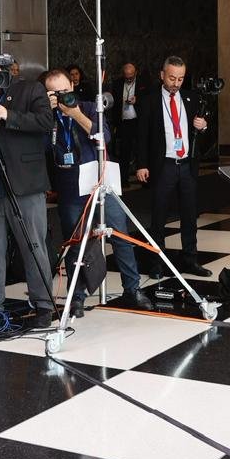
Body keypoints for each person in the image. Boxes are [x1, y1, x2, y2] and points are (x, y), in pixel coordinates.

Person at [42, 69, 149, 315]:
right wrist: (46, 111)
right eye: (56, 93)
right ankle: (77, 295)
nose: (63, 96)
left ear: (73, 86)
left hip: (100, 184)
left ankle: (132, 289)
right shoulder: (47, 117)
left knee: (120, 235)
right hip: (70, 189)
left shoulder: (90, 107)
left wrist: (75, 113)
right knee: (76, 243)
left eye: (66, 91)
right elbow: (42, 147)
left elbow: (104, 137)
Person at [0, 66, 56, 325]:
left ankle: (43, 304)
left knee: (33, 246)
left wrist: (9, 115)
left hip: (24, 183)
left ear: (8, 71)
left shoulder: (30, 89)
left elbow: (45, 121)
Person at [134, 56, 211, 277]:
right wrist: (141, 164)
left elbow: (202, 134)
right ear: (162, 75)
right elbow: (142, 136)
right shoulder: (149, 101)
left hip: (187, 165)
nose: (176, 83)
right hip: (163, 165)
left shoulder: (191, 98)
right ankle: (157, 262)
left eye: (180, 79)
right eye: (171, 78)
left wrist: (203, 126)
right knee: (159, 215)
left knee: (190, 215)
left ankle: (190, 259)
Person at [105, 61, 141, 179]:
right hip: (123, 122)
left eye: (131, 76)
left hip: (138, 121)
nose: (129, 79)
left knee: (140, 150)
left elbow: (148, 99)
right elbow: (113, 104)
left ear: (135, 73)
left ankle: (143, 178)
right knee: (124, 151)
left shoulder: (142, 83)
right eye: (127, 77)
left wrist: (137, 100)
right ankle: (124, 179)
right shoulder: (117, 83)